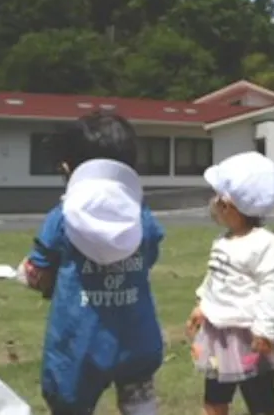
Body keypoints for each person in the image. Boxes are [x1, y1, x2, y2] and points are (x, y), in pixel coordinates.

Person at [18, 111, 165, 415]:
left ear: (70, 166)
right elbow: (148, 257)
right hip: (137, 336)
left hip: (77, 343)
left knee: (70, 405)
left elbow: (39, 272)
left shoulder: (61, 218)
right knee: (140, 403)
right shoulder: (142, 216)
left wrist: (28, 275)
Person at [187, 151, 274, 415]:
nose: (213, 204)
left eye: (217, 197)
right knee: (214, 395)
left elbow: (271, 288)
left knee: (259, 398)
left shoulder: (265, 244)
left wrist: (265, 330)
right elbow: (214, 278)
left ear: (228, 204)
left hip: (249, 337)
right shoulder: (223, 241)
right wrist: (202, 305)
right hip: (218, 336)